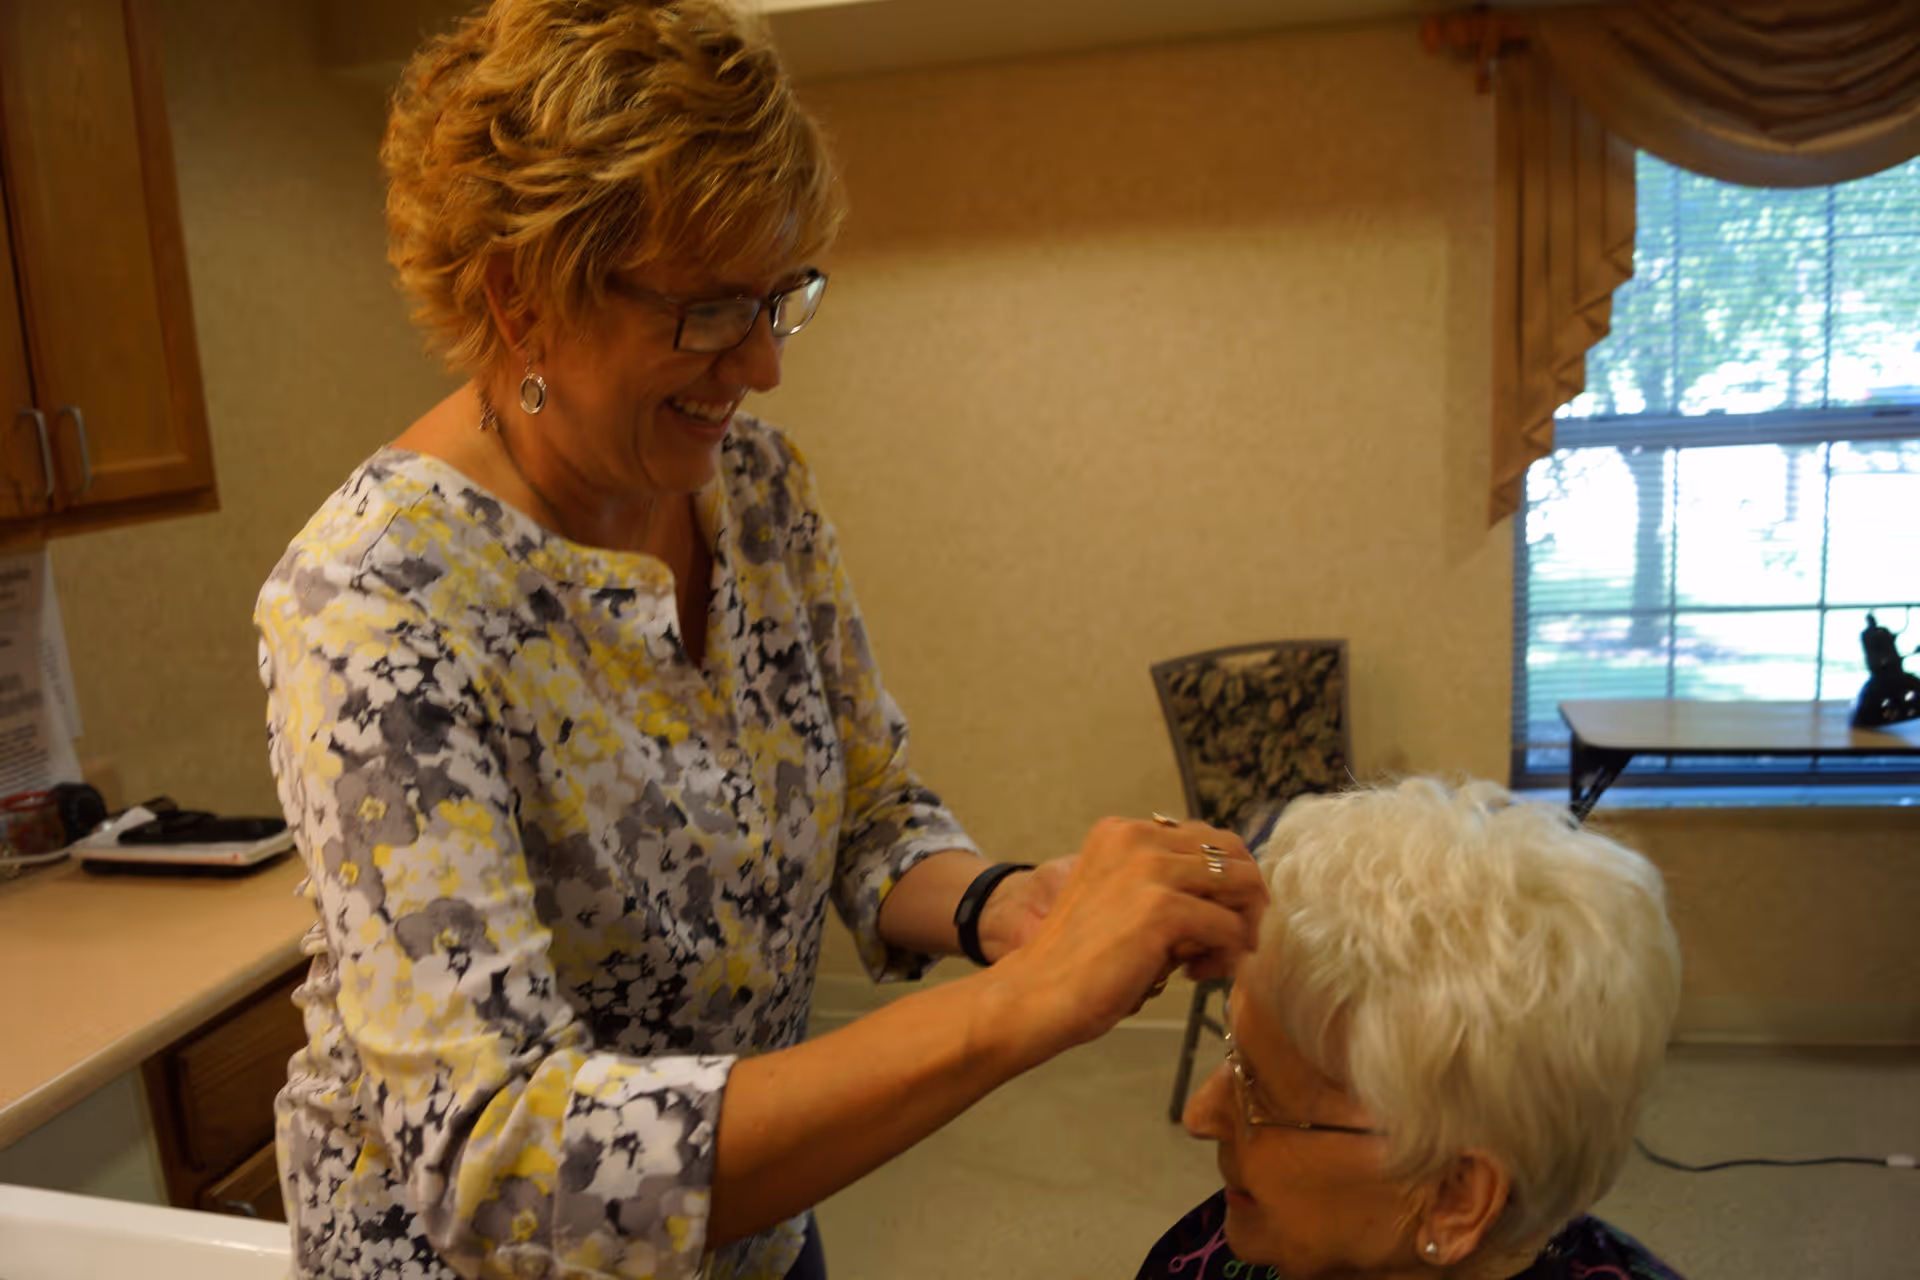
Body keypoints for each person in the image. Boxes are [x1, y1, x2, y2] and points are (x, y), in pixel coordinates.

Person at [252, 2, 1266, 1278]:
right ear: (521, 295)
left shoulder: (755, 489)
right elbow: (500, 1160)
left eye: (780, 298)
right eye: (709, 309)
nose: (762, 366)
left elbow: (866, 805)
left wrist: (1010, 907)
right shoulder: (376, 601)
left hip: (751, 1224)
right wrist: (1014, 1011)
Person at [1137, 778, 1687, 1280]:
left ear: (1453, 1198)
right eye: (1234, 1051)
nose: (1198, 1116)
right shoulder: (1219, 1244)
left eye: (1258, 1093)